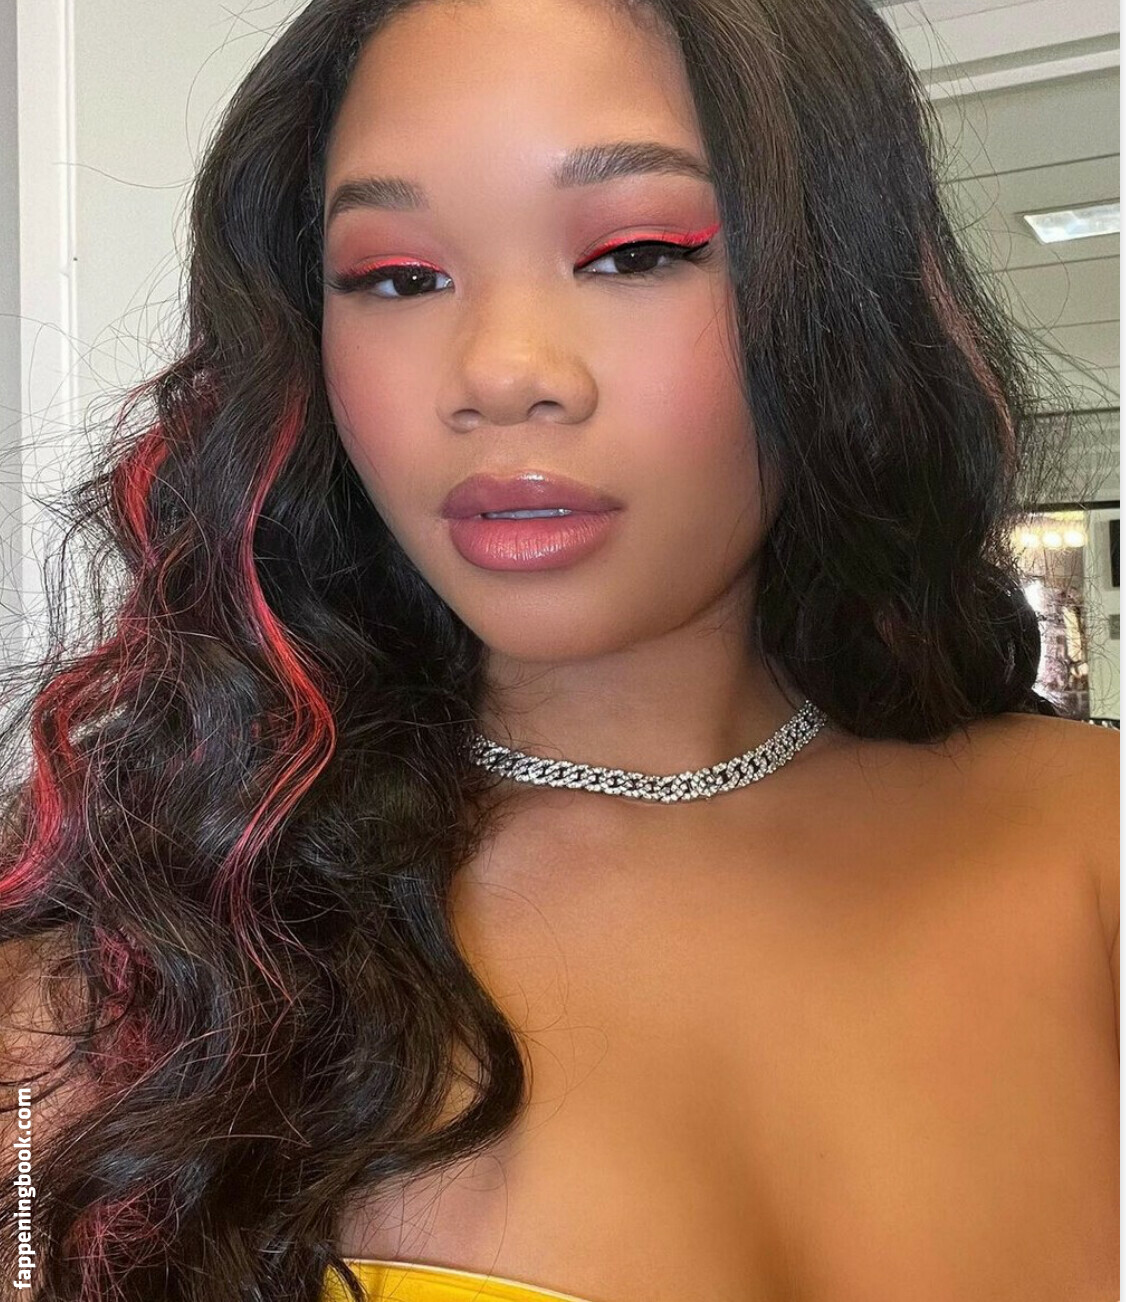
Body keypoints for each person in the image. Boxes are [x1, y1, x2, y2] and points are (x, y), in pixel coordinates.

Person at [0, 0, 1117, 1299]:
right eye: (397, 277)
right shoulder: (136, 957)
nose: (500, 370)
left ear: (836, 290)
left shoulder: (1093, 845)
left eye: (635, 252)